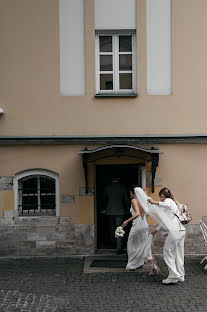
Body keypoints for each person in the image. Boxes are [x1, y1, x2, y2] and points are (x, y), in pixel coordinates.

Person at [134, 187, 186, 284]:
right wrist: (156, 230)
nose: (160, 199)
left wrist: (154, 202)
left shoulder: (169, 201)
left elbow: (165, 204)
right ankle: (180, 275)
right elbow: (165, 220)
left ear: (162, 196)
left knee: (167, 251)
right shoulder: (173, 203)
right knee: (178, 254)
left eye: (160, 197)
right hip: (180, 230)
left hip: (175, 231)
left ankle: (173, 276)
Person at [122, 187, 158, 274]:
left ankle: (132, 265)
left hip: (137, 226)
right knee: (145, 245)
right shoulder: (143, 200)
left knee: (131, 244)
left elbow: (137, 213)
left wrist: (127, 221)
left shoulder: (134, 200)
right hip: (144, 225)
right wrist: (145, 192)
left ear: (132, 193)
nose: (130, 195)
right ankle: (152, 265)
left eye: (130, 193)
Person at [103, 176, 129, 254]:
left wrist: (104, 208)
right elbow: (126, 199)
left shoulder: (107, 187)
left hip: (109, 210)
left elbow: (103, 199)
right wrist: (127, 209)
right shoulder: (122, 187)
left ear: (112, 179)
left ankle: (113, 242)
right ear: (119, 179)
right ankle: (118, 247)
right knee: (119, 229)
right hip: (120, 211)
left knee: (111, 228)